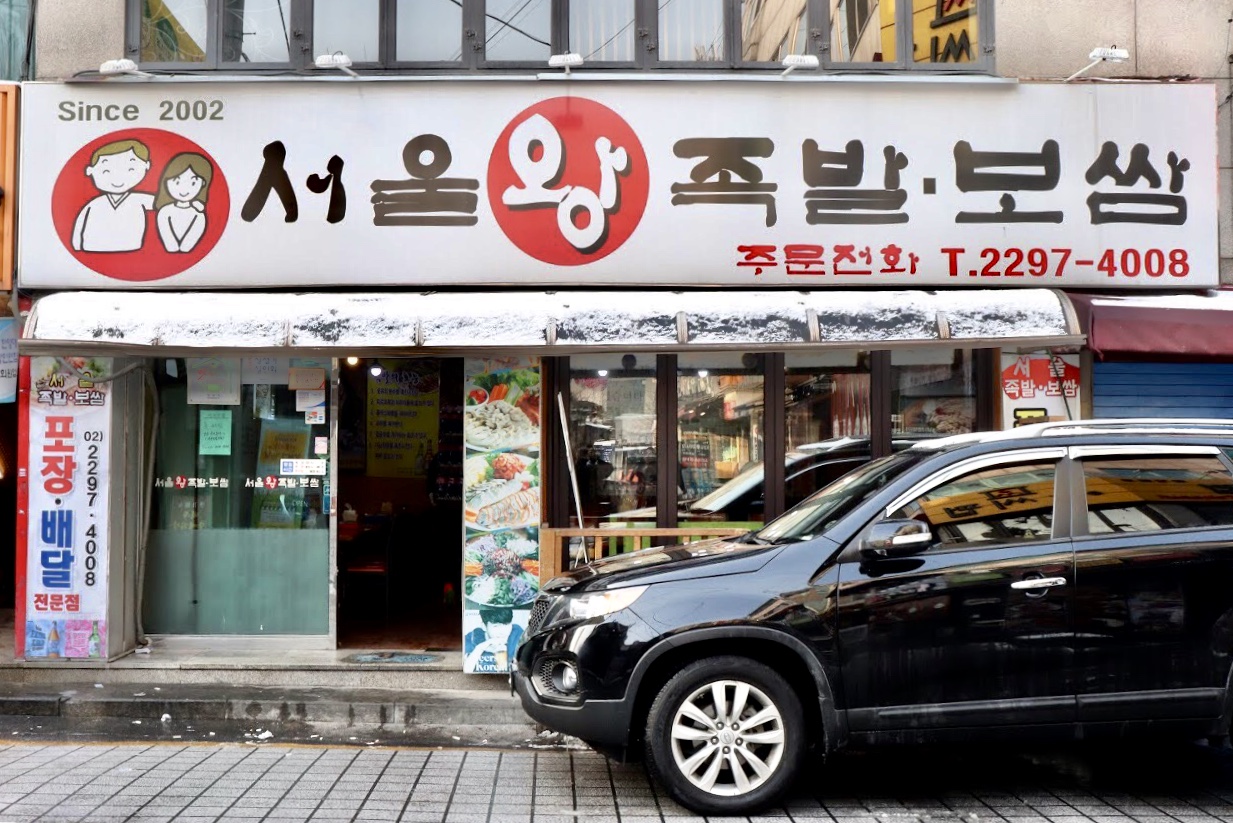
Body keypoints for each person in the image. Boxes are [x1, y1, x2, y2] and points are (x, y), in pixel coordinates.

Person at [71, 139, 155, 253]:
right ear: (90, 171)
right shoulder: (95, 204)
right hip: (93, 246)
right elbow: (80, 224)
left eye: (130, 169)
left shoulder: (138, 199)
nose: (118, 178)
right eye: (106, 171)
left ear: (146, 165)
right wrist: (77, 245)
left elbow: (162, 203)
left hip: (130, 246)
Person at [154, 152, 213, 253]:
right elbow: (165, 230)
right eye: (177, 182)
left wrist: (186, 246)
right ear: (167, 181)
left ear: (203, 183)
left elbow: (197, 229)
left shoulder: (198, 213)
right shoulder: (165, 210)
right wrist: (171, 245)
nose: (184, 189)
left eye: (193, 183)